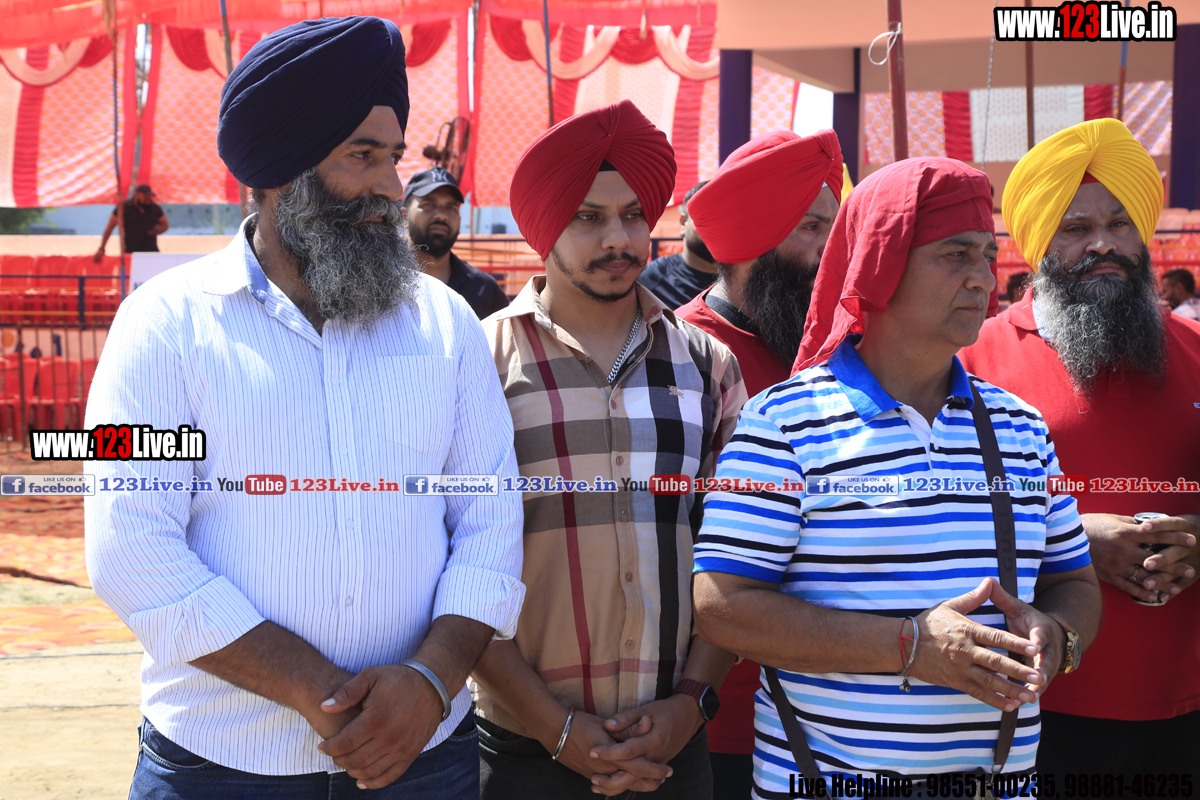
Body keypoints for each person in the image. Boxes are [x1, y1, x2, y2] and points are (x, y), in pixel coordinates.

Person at [84, 17, 525, 800]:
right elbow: (131, 548)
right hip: (220, 768)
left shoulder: (445, 323)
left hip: (425, 759)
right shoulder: (161, 325)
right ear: (281, 169)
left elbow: (491, 520)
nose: (391, 185)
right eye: (363, 156)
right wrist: (322, 694)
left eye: (392, 157)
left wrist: (429, 683)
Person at [692, 157, 1102, 794]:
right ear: (879, 265)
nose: (983, 279)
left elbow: (1073, 581)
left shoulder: (1020, 427)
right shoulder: (782, 422)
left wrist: (1059, 636)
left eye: (988, 256)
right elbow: (722, 609)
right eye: (956, 255)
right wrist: (911, 646)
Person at [472, 99, 747, 800]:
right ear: (544, 226)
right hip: (522, 750)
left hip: (675, 746)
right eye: (588, 217)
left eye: (632, 215)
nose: (618, 238)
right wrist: (555, 728)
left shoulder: (708, 367)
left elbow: (737, 553)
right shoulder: (477, 363)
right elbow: (451, 562)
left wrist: (689, 705)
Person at [959, 118, 1200, 782]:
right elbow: (930, 511)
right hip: (1030, 707)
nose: (1103, 244)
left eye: (1120, 223)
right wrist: (1075, 539)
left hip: (1185, 709)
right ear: (1038, 243)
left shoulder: (1195, 351)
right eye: (1075, 228)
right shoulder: (971, 361)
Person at [673, 128, 843, 800]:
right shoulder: (678, 354)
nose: (831, 249)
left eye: (835, 226)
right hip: (706, 716)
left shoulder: (842, 352)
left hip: (837, 709)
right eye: (811, 228)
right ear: (753, 237)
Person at [404, 166, 509, 318]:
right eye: (428, 205)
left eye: (451, 207)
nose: (442, 215)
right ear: (404, 216)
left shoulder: (485, 290)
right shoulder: (381, 283)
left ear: (460, 219)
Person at [637, 181, 717, 308]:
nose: (716, 228)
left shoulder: (746, 283)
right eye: (706, 218)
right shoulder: (645, 284)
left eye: (725, 219)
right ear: (683, 223)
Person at [95, 183, 169, 261]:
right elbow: (109, 228)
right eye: (145, 198)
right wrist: (102, 248)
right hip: (131, 252)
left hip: (151, 251)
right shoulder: (123, 208)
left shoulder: (155, 208)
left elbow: (165, 224)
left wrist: (158, 230)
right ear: (137, 195)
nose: (148, 201)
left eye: (149, 198)